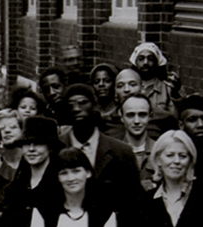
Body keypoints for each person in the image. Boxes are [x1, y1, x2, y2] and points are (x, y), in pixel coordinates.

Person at [60, 83, 142, 214]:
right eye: (71, 104)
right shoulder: (55, 149)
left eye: (83, 103)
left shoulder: (121, 151)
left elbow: (134, 200)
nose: (76, 108)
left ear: (95, 106)